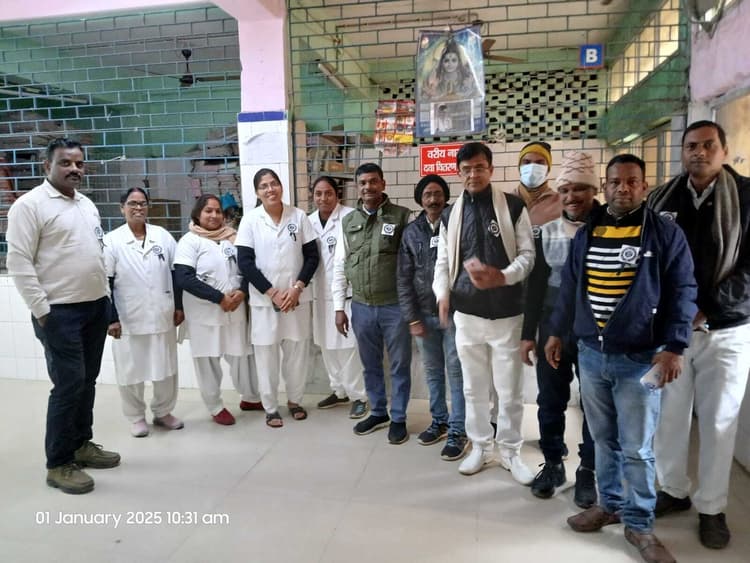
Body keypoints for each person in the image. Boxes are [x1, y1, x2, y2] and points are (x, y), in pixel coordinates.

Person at [545, 154, 696, 563]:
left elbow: (684, 291)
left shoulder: (664, 234)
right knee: (603, 439)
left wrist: (674, 346)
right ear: (605, 187)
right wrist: (557, 331)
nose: (623, 188)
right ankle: (609, 504)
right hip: (592, 355)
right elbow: (569, 287)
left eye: (631, 181)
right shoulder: (588, 232)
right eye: (615, 182)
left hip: (640, 358)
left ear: (644, 186)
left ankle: (640, 524)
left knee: (637, 448)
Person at [649, 120, 750, 550]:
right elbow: (650, 262)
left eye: (709, 145)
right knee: (669, 416)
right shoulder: (662, 199)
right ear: (682, 151)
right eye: (691, 145)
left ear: (723, 150)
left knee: (718, 421)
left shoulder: (745, 197)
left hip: (726, 331)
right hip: (673, 333)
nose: (699, 152)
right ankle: (673, 490)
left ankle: (712, 508)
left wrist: (705, 309)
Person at [6, 137, 120, 495]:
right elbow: (19, 262)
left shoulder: (86, 204)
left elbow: (96, 254)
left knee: (87, 381)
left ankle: (81, 444)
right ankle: (58, 463)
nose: (74, 169)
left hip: (95, 307)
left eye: (79, 163)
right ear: (47, 166)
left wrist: (106, 301)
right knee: (69, 385)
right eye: (66, 163)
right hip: (59, 313)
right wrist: (43, 311)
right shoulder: (29, 206)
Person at [432, 141, 536, 484]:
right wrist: (442, 294)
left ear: (490, 169)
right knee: (473, 389)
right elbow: (442, 261)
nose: (473, 174)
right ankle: (480, 446)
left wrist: (502, 277)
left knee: (509, 390)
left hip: (507, 314)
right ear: (458, 173)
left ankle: (511, 451)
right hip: (467, 315)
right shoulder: (450, 214)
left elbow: (528, 256)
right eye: (466, 169)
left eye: (479, 167)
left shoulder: (513, 206)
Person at [520, 152, 598, 506]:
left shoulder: (606, 228)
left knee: (594, 404)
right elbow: (535, 287)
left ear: (594, 190)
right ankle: (552, 463)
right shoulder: (547, 233)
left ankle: (588, 471)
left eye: (579, 188)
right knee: (550, 399)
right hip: (552, 325)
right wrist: (528, 334)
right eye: (565, 190)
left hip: (594, 329)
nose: (571, 197)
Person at [332, 162, 412, 444]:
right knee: (370, 364)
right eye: (363, 182)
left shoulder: (402, 216)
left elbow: (410, 263)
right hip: (361, 306)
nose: (368, 187)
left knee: (400, 365)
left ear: (383, 184)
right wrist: (339, 307)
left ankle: (398, 417)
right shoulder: (348, 222)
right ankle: (378, 412)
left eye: (373, 181)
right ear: (357, 187)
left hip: (395, 306)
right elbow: (340, 266)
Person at [236, 169, 319, 428]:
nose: (270, 189)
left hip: (296, 300)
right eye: (264, 186)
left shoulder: (299, 216)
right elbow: (245, 263)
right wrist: (271, 292)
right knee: (266, 357)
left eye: (274, 184)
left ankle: (295, 401)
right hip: (264, 302)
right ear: (257, 192)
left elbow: (312, 257)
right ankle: (271, 408)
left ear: (281, 186)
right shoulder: (250, 220)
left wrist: (297, 288)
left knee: (297, 354)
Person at [104, 187, 184, 438]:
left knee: (166, 369)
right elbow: (105, 282)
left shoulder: (162, 236)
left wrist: (179, 306)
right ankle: (136, 417)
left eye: (142, 203)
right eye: (132, 203)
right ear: (122, 208)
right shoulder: (111, 241)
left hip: (162, 314)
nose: (138, 208)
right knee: (130, 371)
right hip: (129, 318)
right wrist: (111, 318)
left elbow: (176, 273)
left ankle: (163, 412)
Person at [398, 174, 468, 460]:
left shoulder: (458, 223)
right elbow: (403, 278)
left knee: (456, 372)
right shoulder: (411, 232)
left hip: (454, 315)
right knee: (432, 372)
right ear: (420, 199)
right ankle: (439, 420)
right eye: (427, 194)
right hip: (424, 315)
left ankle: (458, 429)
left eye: (438, 193)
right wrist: (411, 317)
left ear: (445, 196)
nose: (433, 199)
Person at [174, 194, 259, 426]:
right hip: (205, 314)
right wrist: (219, 298)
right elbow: (184, 277)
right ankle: (215, 406)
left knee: (242, 356)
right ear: (197, 214)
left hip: (235, 309)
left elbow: (248, 268)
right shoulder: (189, 241)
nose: (214, 215)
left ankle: (250, 397)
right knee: (208, 360)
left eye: (218, 211)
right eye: (208, 211)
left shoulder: (232, 238)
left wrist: (242, 291)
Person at [308, 176, 368, 419]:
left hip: (346, 294)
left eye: (328, 193)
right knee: (326, 345)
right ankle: (339, 390)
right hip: (318, 294)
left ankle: (359, 396)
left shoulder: (351, 217)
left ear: (337, 194)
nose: (323, 198)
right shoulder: (308, 221)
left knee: (348, 348)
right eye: (318, 194)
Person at [514, 141, 561, 227]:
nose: (532, 167)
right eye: (527, 162)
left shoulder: (560, 202)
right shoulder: (506, 201)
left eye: (539, 162)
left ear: (548, 169)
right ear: (519, 167)